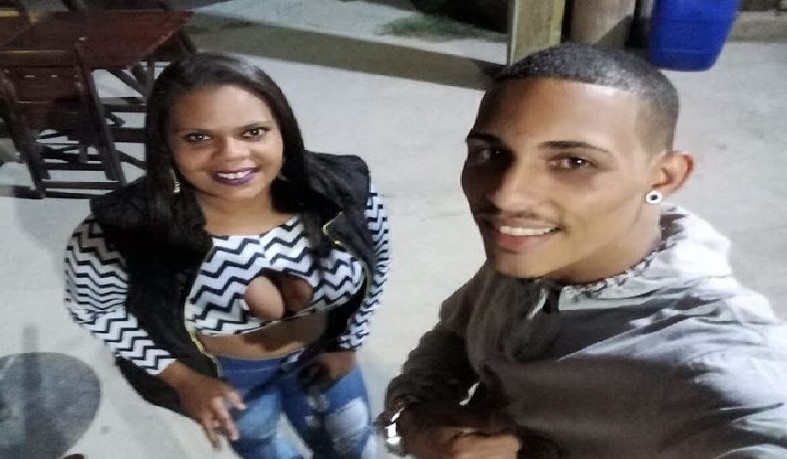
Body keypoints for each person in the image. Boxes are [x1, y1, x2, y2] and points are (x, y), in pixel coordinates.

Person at [378, 43, 787, 459]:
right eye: (490, 154)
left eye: (574, 162)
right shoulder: (539, 249)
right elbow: (456, 332)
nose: (505, 196)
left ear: (664, 177)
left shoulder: (717, 362)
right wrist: (414, 418)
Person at [64, 52, 390, 459]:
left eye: (253, 132)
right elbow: (96, 309)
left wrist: (347, 343)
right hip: (230, 378)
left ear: (282, 130)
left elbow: (376, 261)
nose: (232, 154)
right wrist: (183, 379)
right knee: (262, 447)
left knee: (354, 447)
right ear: (165, 144)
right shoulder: (123, 228)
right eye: (198, 138)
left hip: (323, 353)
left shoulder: (343, 191)